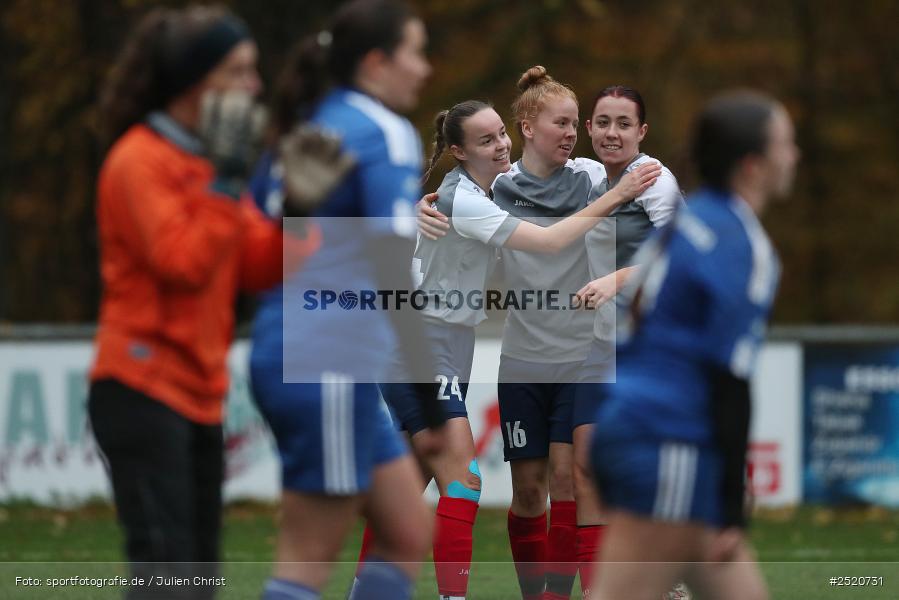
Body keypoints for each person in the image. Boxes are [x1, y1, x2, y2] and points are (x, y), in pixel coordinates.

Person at [356, 100, 658, 600]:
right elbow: (546, 242)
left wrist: (418, 209)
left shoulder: (488, 189)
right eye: (486, 140)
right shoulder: (466, 198)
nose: (500, 146)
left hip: (451, 340)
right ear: (457, 151)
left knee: (405, 492)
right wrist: (621, 193)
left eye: (500, 135)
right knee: (465, 479)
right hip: (419, 340)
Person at [88, 5, 336, 599]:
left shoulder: (205, 164)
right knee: (167, 580)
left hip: (196, 395)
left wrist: (299, 212)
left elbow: (258, 266)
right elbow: (183, 263)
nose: (253, 87)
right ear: (195, 81)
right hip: (142, 388)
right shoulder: (139, 160)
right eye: (238, 72)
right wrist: (226, 184)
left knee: (195, 582)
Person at [246, 2, 449, 599]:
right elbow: (391, 270)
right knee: (307, 558)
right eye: (415, 51)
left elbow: (261, 247)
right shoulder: (381, 131)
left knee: (408, 531)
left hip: (306, 350)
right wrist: (429, 398)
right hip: (326, 357)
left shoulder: (306, 126)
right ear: (376, 62)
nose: (425, 68)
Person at [589, 90, 799, 600]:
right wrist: (732, 499)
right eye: (786, 144)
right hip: (669, 440)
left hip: (635, 425)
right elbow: (729, 378)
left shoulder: (688, 219)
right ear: (752, 164)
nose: (795, 155)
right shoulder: (739, 242)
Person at [569, 86, 684, 598]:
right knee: (588, 463)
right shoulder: (591, 178)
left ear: (642, 132)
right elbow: (514, 187)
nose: (611, 133)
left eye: (622, 123)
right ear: (588, 129)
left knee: (643, 463)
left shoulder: (655, 181)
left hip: (648, 348)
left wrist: (613, 282)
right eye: (601, 122)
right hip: (597, 344)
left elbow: (678, 261)